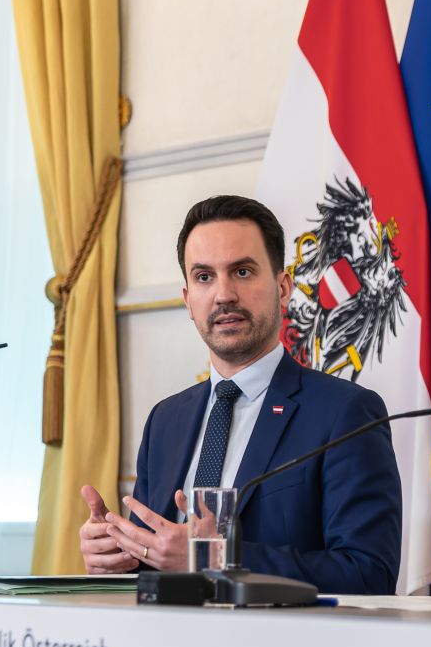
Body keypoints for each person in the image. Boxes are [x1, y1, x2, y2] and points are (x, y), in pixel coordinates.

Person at [78, 195, 403, 594]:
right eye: (204, 277)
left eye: (243, 271)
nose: (223, 294)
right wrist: (117, 558)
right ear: (188, 301)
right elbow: (161, 564)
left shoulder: (347, 413)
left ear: (283, 288)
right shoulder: (166, 419)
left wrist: (218, 558)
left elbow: (369, 574)